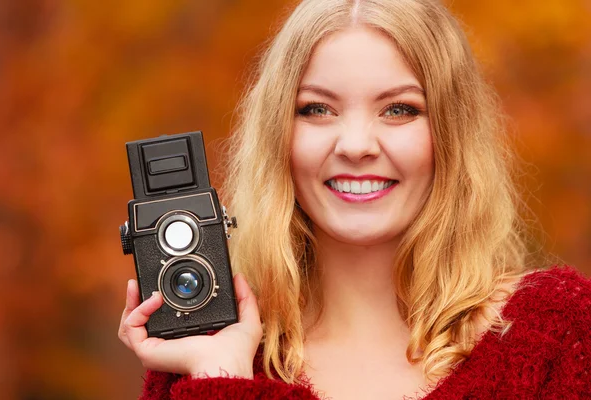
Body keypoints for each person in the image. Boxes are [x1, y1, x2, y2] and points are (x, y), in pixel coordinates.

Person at [118, 0, 591, 398]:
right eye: (317, 109)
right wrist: (222, 376)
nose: (356, 144)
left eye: (400, 109)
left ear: (451, 133)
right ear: (278, 137)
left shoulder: (559, 333)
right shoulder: (205, 354)